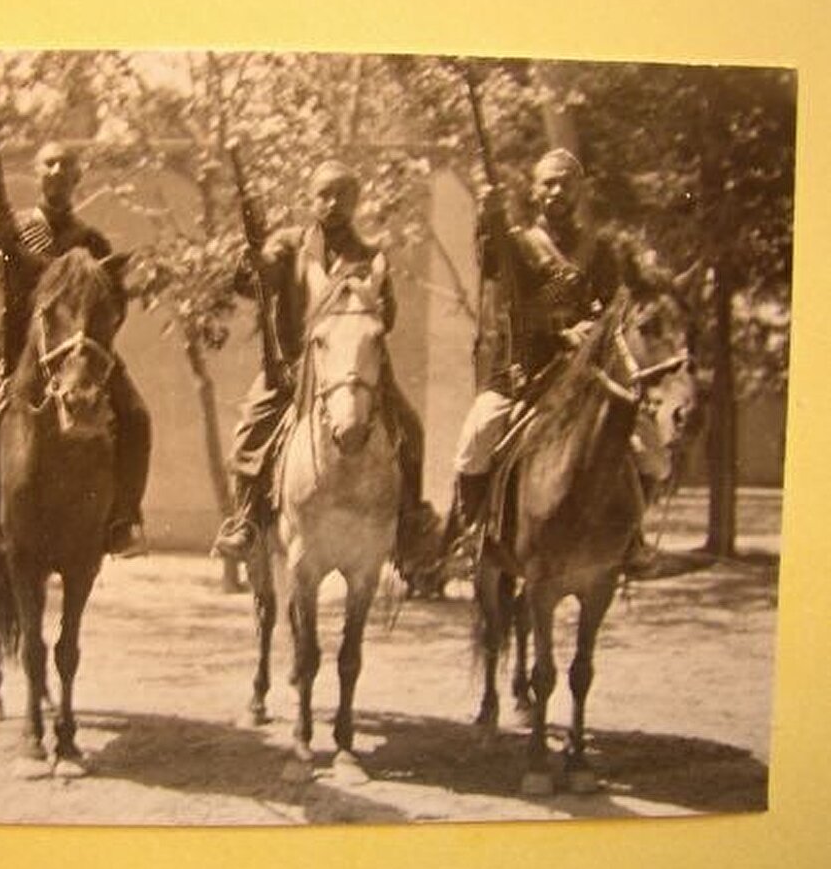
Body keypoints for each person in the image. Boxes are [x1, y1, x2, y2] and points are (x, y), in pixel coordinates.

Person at [211, 160, 434, 573]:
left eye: (342, 196)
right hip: (292, 372)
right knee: (248, 435)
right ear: (310, 198)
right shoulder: (288, 246)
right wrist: (253, 256)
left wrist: (373, 302)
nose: (332, 203)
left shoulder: (370, 256)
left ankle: (409, 524)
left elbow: (388, 318)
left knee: (410, 430)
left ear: (355, 202)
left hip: (353, 374)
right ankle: (246, 522)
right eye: (324, 194)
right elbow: (256, 280)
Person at [0, 141, 150, 557]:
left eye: (66, 165)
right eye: (49, 164)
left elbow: (109, 298)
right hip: (16, 340)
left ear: (78, 176)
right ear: (36, 172)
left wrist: (15, 250)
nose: (56, 171)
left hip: (78, 347)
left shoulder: (92, 241)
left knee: (136, 414)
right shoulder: (14, 227)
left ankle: (124, 519)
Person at [449, 148, 668, 564]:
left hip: (588, 373)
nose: (557, 191)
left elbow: (613, 309)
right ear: (535, 191)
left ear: (579, 191)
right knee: (476, 437)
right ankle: (470, 534)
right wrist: (487, 218)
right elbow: (490, 263)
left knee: (649, 448)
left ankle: (632, 537)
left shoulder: (599, 251)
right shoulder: (517, 244)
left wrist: (593, 330)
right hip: (523, 370)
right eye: (548, 183)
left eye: (566, 183)